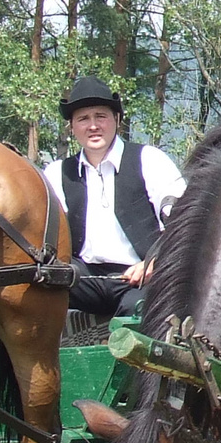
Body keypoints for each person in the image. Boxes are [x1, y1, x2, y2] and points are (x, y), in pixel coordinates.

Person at [43, 75, 186, 317]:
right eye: (83, 119)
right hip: (85, 278)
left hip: (142, 278)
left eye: (101, 116)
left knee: (136, 309)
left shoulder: (149, 160)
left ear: (116, 120)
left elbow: (184, 221)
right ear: (72, 127)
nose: (93, 126)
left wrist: (155, 260)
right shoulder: (57, 172)